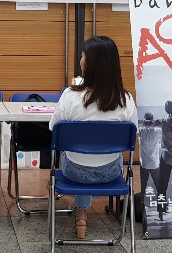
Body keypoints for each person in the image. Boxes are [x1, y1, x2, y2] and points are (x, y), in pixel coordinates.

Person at [49, 36, 138, 239]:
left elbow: (53, 128)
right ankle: (81, 216)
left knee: (74, 153)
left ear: (89, 63)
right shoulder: (125, 99)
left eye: (82, 56)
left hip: (74, 173)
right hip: (110, 173)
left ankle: (81, 216)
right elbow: (134, 133)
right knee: (102, 153)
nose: (80, 60)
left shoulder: (70, 96)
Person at [138, 112, 162, 203]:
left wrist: (143, 122)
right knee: (159, 187)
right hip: (155, 164)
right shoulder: (157, 130)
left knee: (143, 187)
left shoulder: (141, 130)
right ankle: (162, 206)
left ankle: (142, 205)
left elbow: (134, 123)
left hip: (144, 164)